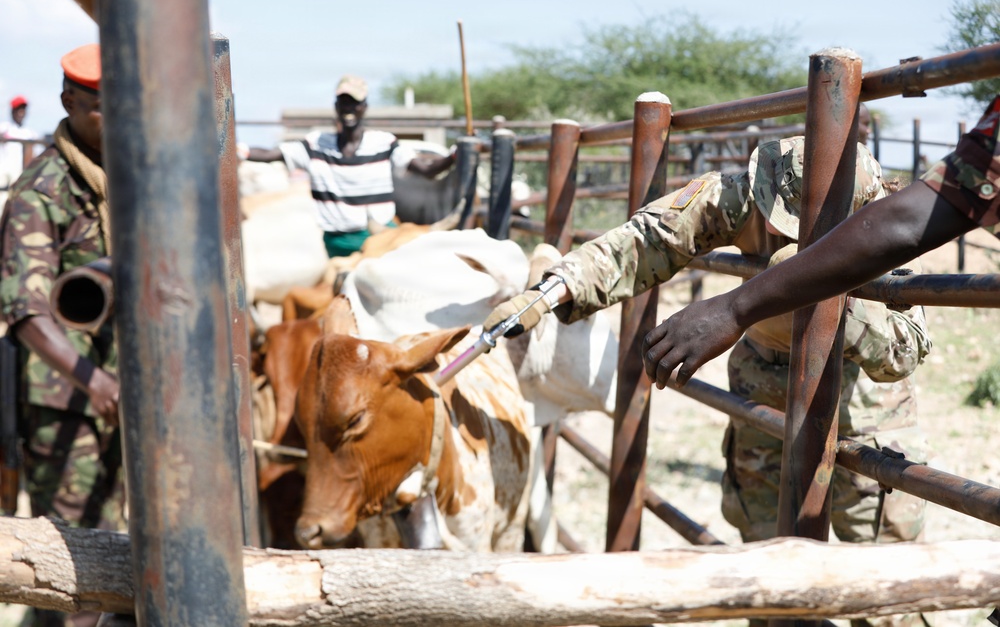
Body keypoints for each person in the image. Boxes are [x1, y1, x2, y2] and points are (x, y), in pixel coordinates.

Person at [485, 137, 933, 587]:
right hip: (762, 401)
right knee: (766, 573)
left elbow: (907, 348)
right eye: (780, 222)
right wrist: (554, 289)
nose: (780, 232)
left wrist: (813, 291)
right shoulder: (743, 196)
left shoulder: (884, 220)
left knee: (885, 582)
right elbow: (648, 239)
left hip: (862, 409)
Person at [640, 97, 996, 390]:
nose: (861, 132)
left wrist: (742, 305)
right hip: (761, 401)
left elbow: (905, 350)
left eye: (863, 126)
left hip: (854, 409)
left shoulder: (875, 199)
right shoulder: (759, 194)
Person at [0, 43, 124, 627]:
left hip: (129, 394)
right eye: (103, 105)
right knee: (77, 563)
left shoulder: (133, 178)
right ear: (69, 102)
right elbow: (26, 313)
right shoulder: (42, 192)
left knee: (131, 543)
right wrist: (94, 382)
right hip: (67, 406)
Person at [245, 74, 457, 257]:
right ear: (336, 106)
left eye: (354, 103)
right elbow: (271, 153)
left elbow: (428, 170)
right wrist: (238, 150)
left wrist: (455, 155)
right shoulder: (316, 144)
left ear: (364, 107)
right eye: (343, 102)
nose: (349, 109)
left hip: (381, 233)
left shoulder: (383, 143)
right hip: (340, 240)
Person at [0, 95, 41, 200]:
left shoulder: (29, 133)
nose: (21, 112)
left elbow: (33, 154)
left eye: (23, 109)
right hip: (3, 171)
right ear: (13, 111)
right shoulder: (4, 128)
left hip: (19, 172)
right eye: (18, 109)